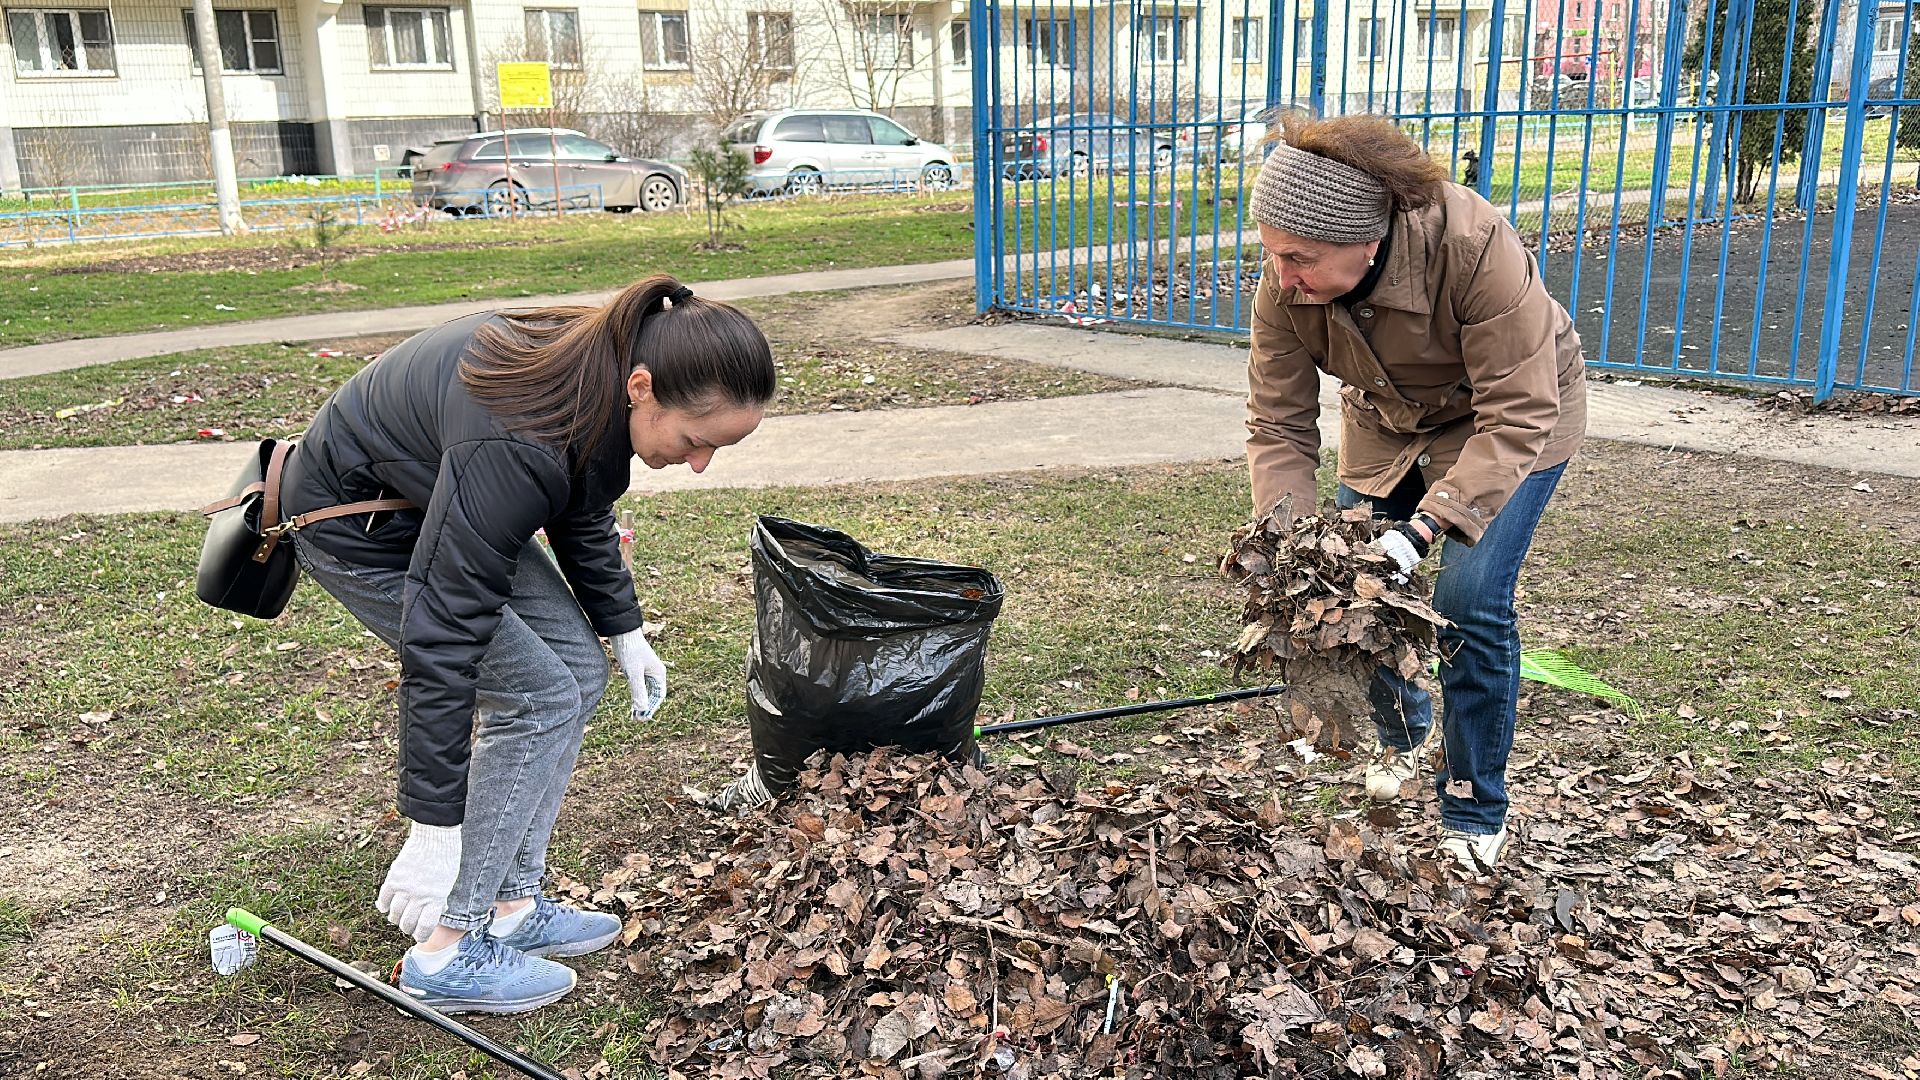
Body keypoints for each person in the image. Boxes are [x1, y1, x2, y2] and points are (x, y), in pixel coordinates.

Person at [280, 274, 776, 1012]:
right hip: (360, 526)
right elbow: (444, 632)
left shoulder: (596, 381)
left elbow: (581, 498)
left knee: (578, 668)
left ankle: (511, 905)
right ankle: (447, 949)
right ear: (643, 387)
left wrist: (624, 630)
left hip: (438, 495)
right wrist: (433, 823)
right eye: (697, 442)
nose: (700, 463)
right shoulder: (519, 435)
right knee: (537, 693)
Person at [1242, 114, 1587, 873]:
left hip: (1509, 420)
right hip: (1387, 422)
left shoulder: (1473, 246)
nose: (1282, 275)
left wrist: (1427, 528)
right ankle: (1402, 734)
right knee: (1347, 588)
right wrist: (1294, 544)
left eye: (1299, 258)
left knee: (1468, 604)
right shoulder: (1286, 282)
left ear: (1368, 242)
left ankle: (1472, 807)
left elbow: (1520, 410)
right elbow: (1278, 420)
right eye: (1271, 253)